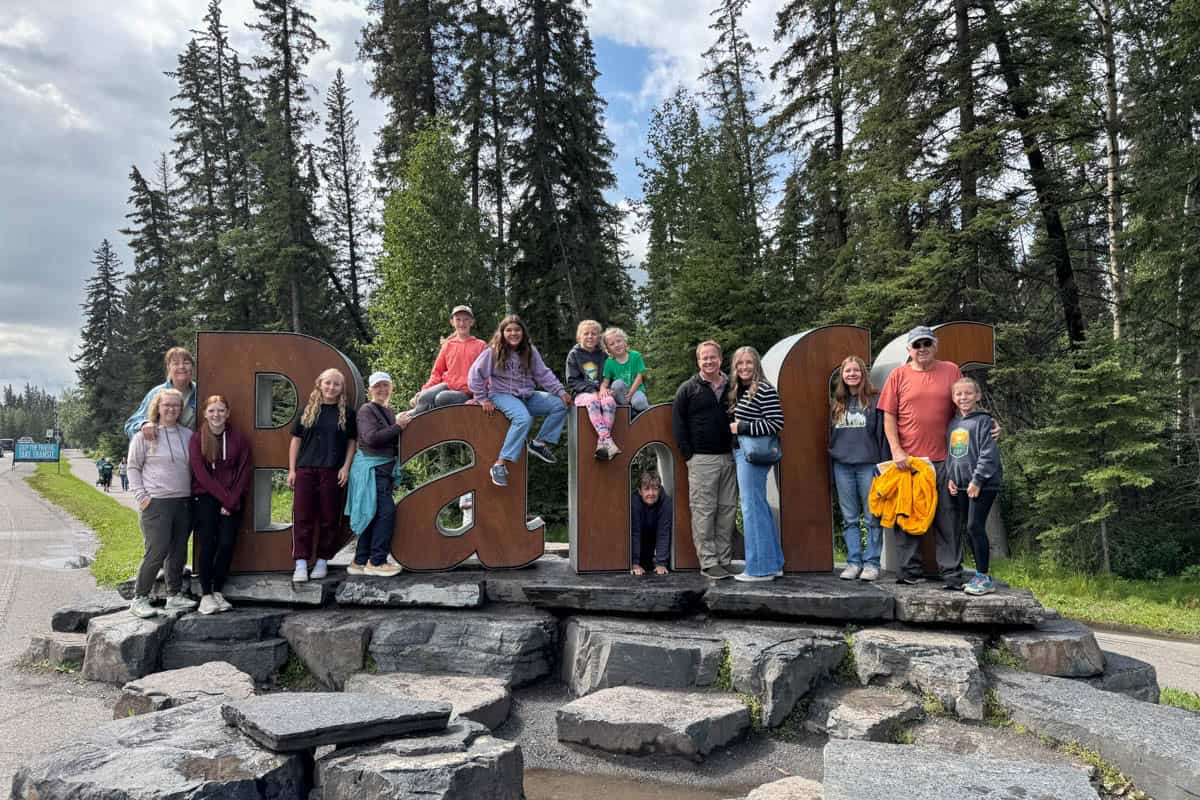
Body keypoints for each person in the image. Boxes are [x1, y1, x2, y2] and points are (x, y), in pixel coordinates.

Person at [879, 325, 998, 588]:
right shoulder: (898, 375)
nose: (922, 349)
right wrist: (897, 450)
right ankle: (909, 571)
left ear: (935, 345)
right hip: (910, 461)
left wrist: (987, 422)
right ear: (909, 349)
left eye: (927, 344)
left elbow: (965, 401)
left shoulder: (951, 370)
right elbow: (888, 416)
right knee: (908, 516)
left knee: (948, 517)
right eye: (917, 345)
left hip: (947, 459)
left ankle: (952, 574)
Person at [468, 315, 570, 488]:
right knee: (523, 418)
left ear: (523, 332)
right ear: (502, 333)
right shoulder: (493, 351)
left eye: (517, 330)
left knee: (560, 405)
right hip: (501, 394)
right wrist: (482, 398)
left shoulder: (529, 350)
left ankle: (539, 443)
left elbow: (543, 374)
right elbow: (474, 375)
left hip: (526, 396)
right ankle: (499, 465)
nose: (513, 333)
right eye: (509, 330)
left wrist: (560, 392)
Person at [672, 340, 739, 580]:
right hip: (702, 460)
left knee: (728, 510)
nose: (708, 361)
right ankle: (709, 562)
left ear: (720, 359)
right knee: (704, 511)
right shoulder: (688, 389)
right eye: (704, 358)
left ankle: (724, 559)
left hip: (730, 458)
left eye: (712, 357)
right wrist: (688, 455)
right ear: (698, 361)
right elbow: (678, 425)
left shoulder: (733, 386)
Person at [127, 388, 196, 618]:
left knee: (178, 551)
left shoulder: (187, 435)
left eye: (176, 406)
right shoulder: (145, 435)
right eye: (167, 405)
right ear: (158, 407)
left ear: (181, 409)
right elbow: (133, 467)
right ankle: (140, 598)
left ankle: (174, 595)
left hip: (183, 502)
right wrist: (142, 496)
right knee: (156, 551)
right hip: (156, 502)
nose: (171, 409)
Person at [288, 368, 357, 583]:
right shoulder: (307, 411)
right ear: (320, 383)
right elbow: (295, 440)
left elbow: (351, 442)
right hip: (306, 470)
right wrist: (292, 469)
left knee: (329, 518)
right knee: (302, 517)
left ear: (341, 388)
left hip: (331, 471)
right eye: (328, 383)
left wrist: (346, 467)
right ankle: (300, 563)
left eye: (336, 384)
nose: (331, 387)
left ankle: (321, 561)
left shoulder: (347, 413)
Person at [188, 395, 252, 615]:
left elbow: (244, 470)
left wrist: (231, 501)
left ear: (228, 413)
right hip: (205, 498)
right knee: (208, 544)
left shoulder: (238, 439)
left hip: (232, 500)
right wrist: (225, 499)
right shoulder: (197, 439)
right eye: (212, 410)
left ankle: (217, 590)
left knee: (226, 543)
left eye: (221, 410)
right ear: (205, 413)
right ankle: (206, 594)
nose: (216, 415)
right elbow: (201, 475)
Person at [729, 346, 786, 582]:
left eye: (749, 363)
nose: (744, 367)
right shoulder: (739, 390)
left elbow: (776, 423)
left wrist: (742, 427)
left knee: (751, 510)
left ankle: (759, 569)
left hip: (752, 455)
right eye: (740, 363)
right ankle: (773, 563)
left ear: (757, 365)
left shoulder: (763, 389)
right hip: (742, 453)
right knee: (758, 508)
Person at [829, 355, 888, 582]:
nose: (852, 374)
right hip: (842, 466)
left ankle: (872, 563)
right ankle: (853, 562)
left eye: (856, 370)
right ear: (842, 375)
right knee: (850, 518)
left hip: (868, 465)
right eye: (847, 371)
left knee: (873, 517)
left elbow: (882, 434)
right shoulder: (837, 403)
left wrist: (883, 465)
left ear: (863, 374)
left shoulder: (875, 400)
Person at [347, 372, 409, 577]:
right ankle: (377, 561)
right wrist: (398, 426)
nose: (382, 389)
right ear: (370, 389)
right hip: (372, 470)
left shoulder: (388, 411)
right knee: (386, 513)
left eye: (385, 385)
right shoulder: (366, 410)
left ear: (391, 387)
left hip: (383, 470)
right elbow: (371, 438)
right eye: (377, 386)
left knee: (370, 514)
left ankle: (359, 560)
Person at [947, 376, 1003, 596]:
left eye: (968, 393)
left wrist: (977, 480)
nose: (963, 398)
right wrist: (952, 477)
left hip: (983, 483)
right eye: (959, 394)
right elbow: (953, 453)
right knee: (968, 529)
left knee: (974, 526)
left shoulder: (984, 421)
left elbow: (988, 455)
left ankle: (984, 576)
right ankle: (980, 575)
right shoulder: (954, 423)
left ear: (977, 395)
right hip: (960, 484)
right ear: (953, 398)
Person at [411, 304, 488, 414]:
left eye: (466, 319)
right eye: (458, 320)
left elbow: (487, 375)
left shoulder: (481, 345)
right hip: (448, 385)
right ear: (452, 322)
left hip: (467, 391)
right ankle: (409, 422)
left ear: (472, 322)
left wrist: (478, 398)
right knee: (424, 397)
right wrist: (425, 389)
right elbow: (437, 372)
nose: (462, 323)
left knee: (442, 398)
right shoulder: (448, 345)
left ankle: (429, 421)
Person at [566, 320, 620, 461]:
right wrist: (591, 390)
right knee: (594, 400)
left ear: (598, 337)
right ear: (579, 337)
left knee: (609, 401)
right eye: (586, 334)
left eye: (594, 334)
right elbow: (572, 381)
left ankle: (601, 444)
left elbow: (609, 376)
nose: (590, 336)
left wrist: (609, 388)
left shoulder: (603, 356)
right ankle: (607, 439)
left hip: (601, 391)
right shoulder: (574, 355)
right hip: (582, 394)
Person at [125, 347, 198, 439]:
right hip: (160, 449)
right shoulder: (157, 393)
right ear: (168, 367)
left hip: (188, 450)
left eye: (186, 363)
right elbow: (130, 425)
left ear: (192, 367)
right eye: (176, 363)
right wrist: (144, 425)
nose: (181, 367)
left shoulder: (201, 392)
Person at [630, 471, 672, 576]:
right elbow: (635, 533)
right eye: (646, 489)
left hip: (652, 544)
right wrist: (634, 563)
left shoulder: (665, 502)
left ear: (659, 489)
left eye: (655, 489)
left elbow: (664, 532)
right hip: (639, 541)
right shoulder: (634, 502)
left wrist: (661, 563)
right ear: (640, 491)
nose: (651, 493)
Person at [601, 327, 650, 414]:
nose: (616, 345)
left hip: (636, 390)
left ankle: (644, 414)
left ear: (624, 341)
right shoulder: (609, 362)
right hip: (621, 394)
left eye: (619, 341)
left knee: (640, 403)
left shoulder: (635, 356)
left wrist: (630, 393)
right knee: (617, 384)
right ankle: (629, 412)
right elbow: (606, 381)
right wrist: (603, 389)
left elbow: (639, 377)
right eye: (612, 344)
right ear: (608, 349)